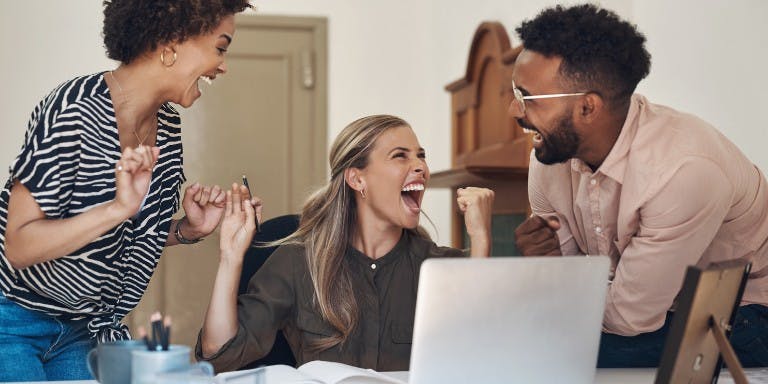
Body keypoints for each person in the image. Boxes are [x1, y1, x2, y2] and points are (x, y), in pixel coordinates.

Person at [0, 0, 252, 381]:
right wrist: (117, 208)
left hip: (84, 329)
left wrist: (186, 230)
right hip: (14, 320)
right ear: (171, 43)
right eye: (220, 47)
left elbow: (121, 236)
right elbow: (18, 246)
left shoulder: (167, 126)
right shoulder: (74, 109)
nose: (223, 65)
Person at [511, 4, 768, 368]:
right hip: (653, 313)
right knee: (522, 340)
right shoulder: (548, 158)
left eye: (527, 98)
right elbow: (566, 287)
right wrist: (546, 264)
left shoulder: (683, 170)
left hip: (745, 314)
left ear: (588, 108)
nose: (513, 110)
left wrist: (559, 292)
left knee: (541, 354)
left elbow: (628, 318)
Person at [196, 115, 495, 372]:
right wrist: (230, 257)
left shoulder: (438, 269)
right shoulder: (297, 261)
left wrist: (481, 240)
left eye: (421, 155)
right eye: (401, 156)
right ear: (357, 179)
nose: (420, 167)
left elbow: (479, 356)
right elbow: (219, 353)